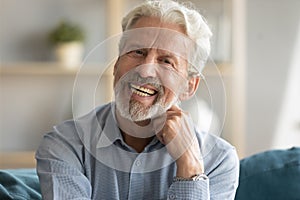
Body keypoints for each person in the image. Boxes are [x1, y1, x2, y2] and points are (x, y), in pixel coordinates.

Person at [36, 0, 239, 199]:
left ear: (189, 86)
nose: (145, 70)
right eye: (137, 52)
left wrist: (190, 168)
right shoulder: (65, 144)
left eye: (166, 61)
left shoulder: (219, 161)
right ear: (116, 66)